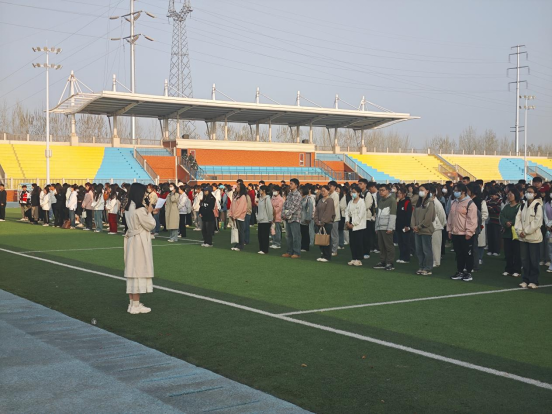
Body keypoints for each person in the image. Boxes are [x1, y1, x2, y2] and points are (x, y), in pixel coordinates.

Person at [124, 183, 158, 314]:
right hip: (139, 241)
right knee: (138, 271)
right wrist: (149, 212)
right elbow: (151, 224)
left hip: (132, 240)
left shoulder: (129, 207)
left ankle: (132, 303)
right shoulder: (140, 209)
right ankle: (136, 305)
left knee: (132, 271)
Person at [448, 183, 478, 282]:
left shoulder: (470, 203)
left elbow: (472, 219)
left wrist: (469, 232)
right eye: (454, 190)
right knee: (458, 253)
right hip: (455, 232)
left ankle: (468, 272)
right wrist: (449, 229)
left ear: (463, 192)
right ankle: (460, 271)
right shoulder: (454, 202)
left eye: (457, 191)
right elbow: (450, 217)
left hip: (465, 234)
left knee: (468, 254)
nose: (455, 192)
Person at [514, 186, 543, 289]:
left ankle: (534, 280)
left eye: (531, 192)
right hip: (523, 238)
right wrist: (519, 231)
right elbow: (517, 219)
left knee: (534, 260)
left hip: (534, 238)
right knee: (524, 260)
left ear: (535, 194)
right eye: (527, 192)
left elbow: (537, 222)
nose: (528, 193)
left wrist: (525, 231)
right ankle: (525, 279)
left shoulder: (538, 206)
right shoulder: (522, 205)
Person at [373, 184, 397, 271]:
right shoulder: (380, 201)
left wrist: (390, 227)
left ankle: (390, 263)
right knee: (381, 246)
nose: (381, 192)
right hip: (380, 226)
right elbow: (378, 215)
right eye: (380, 190)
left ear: (388, 191)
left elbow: (393, 215)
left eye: (383, 190)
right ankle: (382, 261)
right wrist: (376, 227)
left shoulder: (392, 200)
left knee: (389, 246)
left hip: (387, 227)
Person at [500, 187, 522, 277]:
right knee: (508, 252)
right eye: (508, 195)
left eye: (510, 194)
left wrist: (511, 222)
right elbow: (501, 216)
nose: (508, 196)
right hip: (507, 233)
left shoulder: (519, 206)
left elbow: (519, 217)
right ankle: (508, 269)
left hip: (515, 233)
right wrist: (506, 222)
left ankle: (517, 270)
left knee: (516, 252)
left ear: (515, 195)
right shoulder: (506, 206)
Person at [344, 184, 366, 266]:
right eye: (351, 192)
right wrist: (347, 222)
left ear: (358, 193)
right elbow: (347, 212)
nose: (352, 194)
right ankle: (353, 258)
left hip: (358, 226)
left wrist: (353, 224)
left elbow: (360, 215)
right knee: (352, 243)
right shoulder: (350, 202)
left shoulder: (361, 202)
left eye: (354, 192)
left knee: (358, 242)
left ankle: (359, 259)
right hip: (350, 224)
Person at [314, 185, 336, 262]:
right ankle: (323, 254)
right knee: (321, 239)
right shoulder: (320, 200)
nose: (323, 192)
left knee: (326, 240)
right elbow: (316, 211)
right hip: (319, 223)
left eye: (324, 191)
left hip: (327, 223)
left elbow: (328, 213)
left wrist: (322, 221)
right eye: (322, 191)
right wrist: (316, 220)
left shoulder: (330, 200)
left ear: (328, 191)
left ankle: (327, 256)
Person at [281, 178, 302, 258]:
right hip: (288, 218)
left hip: (295, 218)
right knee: (288, 236)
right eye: (290, 183)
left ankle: (296, 252)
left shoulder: (298, 195)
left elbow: (295, 207)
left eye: (291, 183)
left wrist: (286, 214)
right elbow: (285, 204)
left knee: (296, 236)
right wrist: (283, 213)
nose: (290, 185)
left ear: (296, 185)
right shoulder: (289, 194)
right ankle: (289, 251)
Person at [396, 187, 413, 264]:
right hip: (398, 226)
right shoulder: (398, 202)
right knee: (400, 243)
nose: (398, 194)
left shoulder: (407, 203)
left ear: (404, 194)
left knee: (406, 242)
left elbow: (409, 215)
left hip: (405, 226)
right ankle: (401, 256)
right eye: (398, 193)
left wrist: (407, 226)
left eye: (400, 193)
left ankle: (406, 258)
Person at [229, 183, 247, 251]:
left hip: (239, 217)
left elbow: (240, 208)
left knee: (240, 231)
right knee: (236, 231)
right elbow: (232, 205)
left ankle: (240, 245)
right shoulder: (236, 195)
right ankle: (237, 244)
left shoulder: (243, 197)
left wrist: (235, 216)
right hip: (234, 216)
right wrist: (231, 214)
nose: (237, 188)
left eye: (238, 187)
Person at [432, 186, 446, 268]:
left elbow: (442, 216)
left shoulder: (437, 203)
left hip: (436, 227)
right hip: (429, 227)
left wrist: (440, 224)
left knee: (435, 245)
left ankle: (436, 261)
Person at [256, 185, 274, 254]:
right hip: (260, 220)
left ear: (264, 191)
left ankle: (265, 249)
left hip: (266, 220)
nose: (259, 191)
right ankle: (261, 248)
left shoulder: (267, 199)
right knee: (260, 236)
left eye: (260, 190)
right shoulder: (260, 199)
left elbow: (269, 209)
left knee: (264, 236)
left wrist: (270, 219)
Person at [486, 189, 502, 256]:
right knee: (490, 236)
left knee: (496, 237)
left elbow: (499, 209)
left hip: (497, 221)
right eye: (491, 196)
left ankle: (496, 251)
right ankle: (490, 249)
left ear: (496, 195)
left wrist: (492, 208)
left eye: (492, 196)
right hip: (490, 220)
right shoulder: (488, 201)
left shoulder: (500, 201)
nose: (491, 197)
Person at [328, 181, 341, 256]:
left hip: (334, 217)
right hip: (329, 217)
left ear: (334, 187)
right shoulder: (329, 194)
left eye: (331, 186)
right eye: (329, 186)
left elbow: (333, 206)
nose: (329, 187)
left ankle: (334, 250)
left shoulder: (335, 195)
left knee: (334, 235)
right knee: (330, 234)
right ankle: (330, 249)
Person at [300, 186, 314, 252]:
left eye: (301, 190)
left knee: (305, 233)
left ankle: (306, 247)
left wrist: (308, 218)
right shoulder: (300, 198)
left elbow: (310, 209)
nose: (300, 191)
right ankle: (302, 245)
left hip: (305, 218)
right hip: (300, 218)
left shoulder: (308, 199)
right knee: (302, 233)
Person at [544, 190, 552, 273]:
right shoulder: (546, 204)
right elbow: (545, 215)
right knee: (550, 247)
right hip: (549, 228)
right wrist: (548, 224)